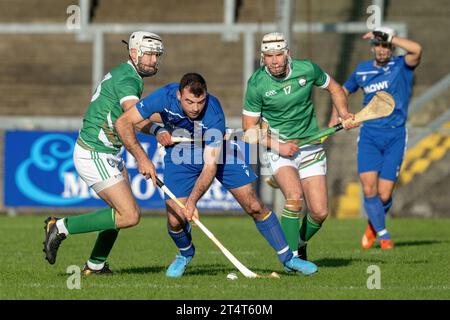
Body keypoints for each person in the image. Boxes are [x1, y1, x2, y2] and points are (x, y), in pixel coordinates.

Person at [115, 72, 318, 278]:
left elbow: (209, 167)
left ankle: (289, 259)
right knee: (175, 220)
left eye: (200, 101)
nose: (195, 108)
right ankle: (185, 254)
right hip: (180, 154)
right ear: (178, 95)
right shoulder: (164, 96)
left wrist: (192, 202)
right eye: (189, 102)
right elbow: (124, 122)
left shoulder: (214, 114)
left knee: (254, 205)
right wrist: (147, 149)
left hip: (219, 152)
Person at [42, 31, 164, 274]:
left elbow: (136, 120)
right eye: (149, 54)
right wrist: (143, 157)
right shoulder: (128, 80)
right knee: (129, 215)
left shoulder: (128, 75)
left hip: (108, 152)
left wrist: (159, 129)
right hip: (94, 153)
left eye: (157, 55)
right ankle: (61, 226)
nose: (153, 60)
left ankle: (95, 264)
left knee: (117, 212)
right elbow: (133, 120)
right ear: (134, 53)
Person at [242, 32, 358, 261]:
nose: (274, 61)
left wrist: (343, 114)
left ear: (287, 54)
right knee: (294, 197)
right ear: (262, 57)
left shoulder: (307, 70)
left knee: (320, 212)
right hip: (279, 148)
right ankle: (290, 258)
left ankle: (300, 243)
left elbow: (335, 88)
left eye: (278, 55)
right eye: (268, 56)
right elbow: (249, 130)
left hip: (310, 146)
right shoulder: (257, 84)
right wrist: (278, 146)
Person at [329, 26, 422, 250]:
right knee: (368, 189)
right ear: (373, 48)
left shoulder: (401, 66)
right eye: (378, 45)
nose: (382, 49)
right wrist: (337, 116)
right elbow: (342, 90)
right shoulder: (362, 71)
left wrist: (389, 36)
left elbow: (416, 50)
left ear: (391, 47)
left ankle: (373, 225)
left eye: (386, 45)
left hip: (395, 135)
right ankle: (383, 234)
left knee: (384, 194)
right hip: (369, 135)